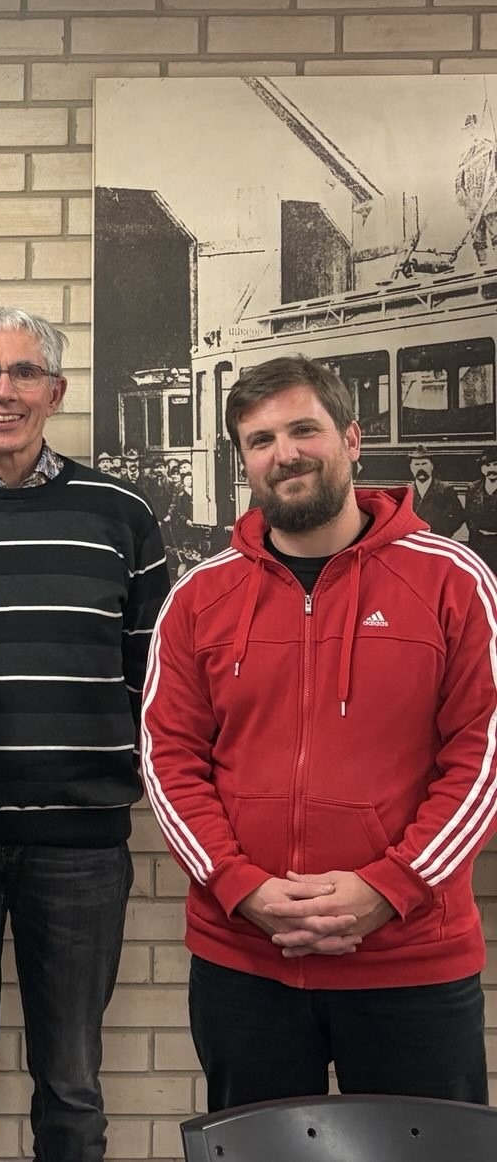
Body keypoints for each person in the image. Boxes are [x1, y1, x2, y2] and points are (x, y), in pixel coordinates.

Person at [141, 356, 497, 1111]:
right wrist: (241, 888)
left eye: (304, 430)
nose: (286, 454)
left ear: (352, 439)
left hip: (411, 963)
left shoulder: (454, 580)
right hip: (246, 962)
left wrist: (391, 888)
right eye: (261, 440)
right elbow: (170, 760)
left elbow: (482, 755)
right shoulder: (198, 597)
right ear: (244, 461)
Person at [0, 308, 168, 1162]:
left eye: (24, 373)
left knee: (73, 1083)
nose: (4, 391)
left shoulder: (122, 515)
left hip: (81, 845)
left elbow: (153, 678)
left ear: (56, 391)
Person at [408, 444, 466, 538]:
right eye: (416, 464)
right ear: (411, 468)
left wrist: (444, 533)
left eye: (424, 464)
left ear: (432, 466)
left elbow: (458, 516)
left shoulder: (445, 489)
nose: (420, 468)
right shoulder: (407, 491)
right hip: (415, 538)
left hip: (437, 538)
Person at [465, 446, 497, 573]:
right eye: (487, 465)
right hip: (478, 543)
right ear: (482, 468)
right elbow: (468, 516)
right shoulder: (473, 488)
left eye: (495, 465)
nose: (491, 469)